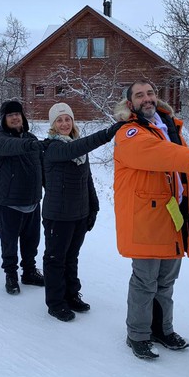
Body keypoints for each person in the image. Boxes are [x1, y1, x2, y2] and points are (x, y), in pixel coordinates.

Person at [113, 79, 189, 360]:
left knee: (166, 281)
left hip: (174, 217)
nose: (147, 98)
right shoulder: (129, 132)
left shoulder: (170, 128)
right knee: (145, 281)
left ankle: (162, 330)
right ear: (130, 104)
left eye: (150, 92)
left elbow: (184, 177)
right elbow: (159, 155)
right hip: (146, 219)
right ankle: (138, 335)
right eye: (139, 95)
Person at [42, 103, 123, 321]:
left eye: (67, 119)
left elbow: (87, 180)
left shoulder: (78, 148)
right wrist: (108, 133)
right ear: (53, 125)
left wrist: (93, 208)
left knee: (71, 257)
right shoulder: (52, 148)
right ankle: (56, 302)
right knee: (55, 258)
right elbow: (74, 150)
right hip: (57, 215)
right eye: (59, 120)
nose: (64, 124)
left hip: (78, 214)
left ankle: (71, 295)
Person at [0, 100, 46, 295]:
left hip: (32, 200)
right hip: (8, 202)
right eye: (10, 115)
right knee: (9, 243)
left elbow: (41, 167)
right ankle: (11, 275)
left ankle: (29, 271)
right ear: (4, 119)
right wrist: (32, 144)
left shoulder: (31, 137)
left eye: (18, 114)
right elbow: (13, 146)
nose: (15, 117)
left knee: (32, 242)